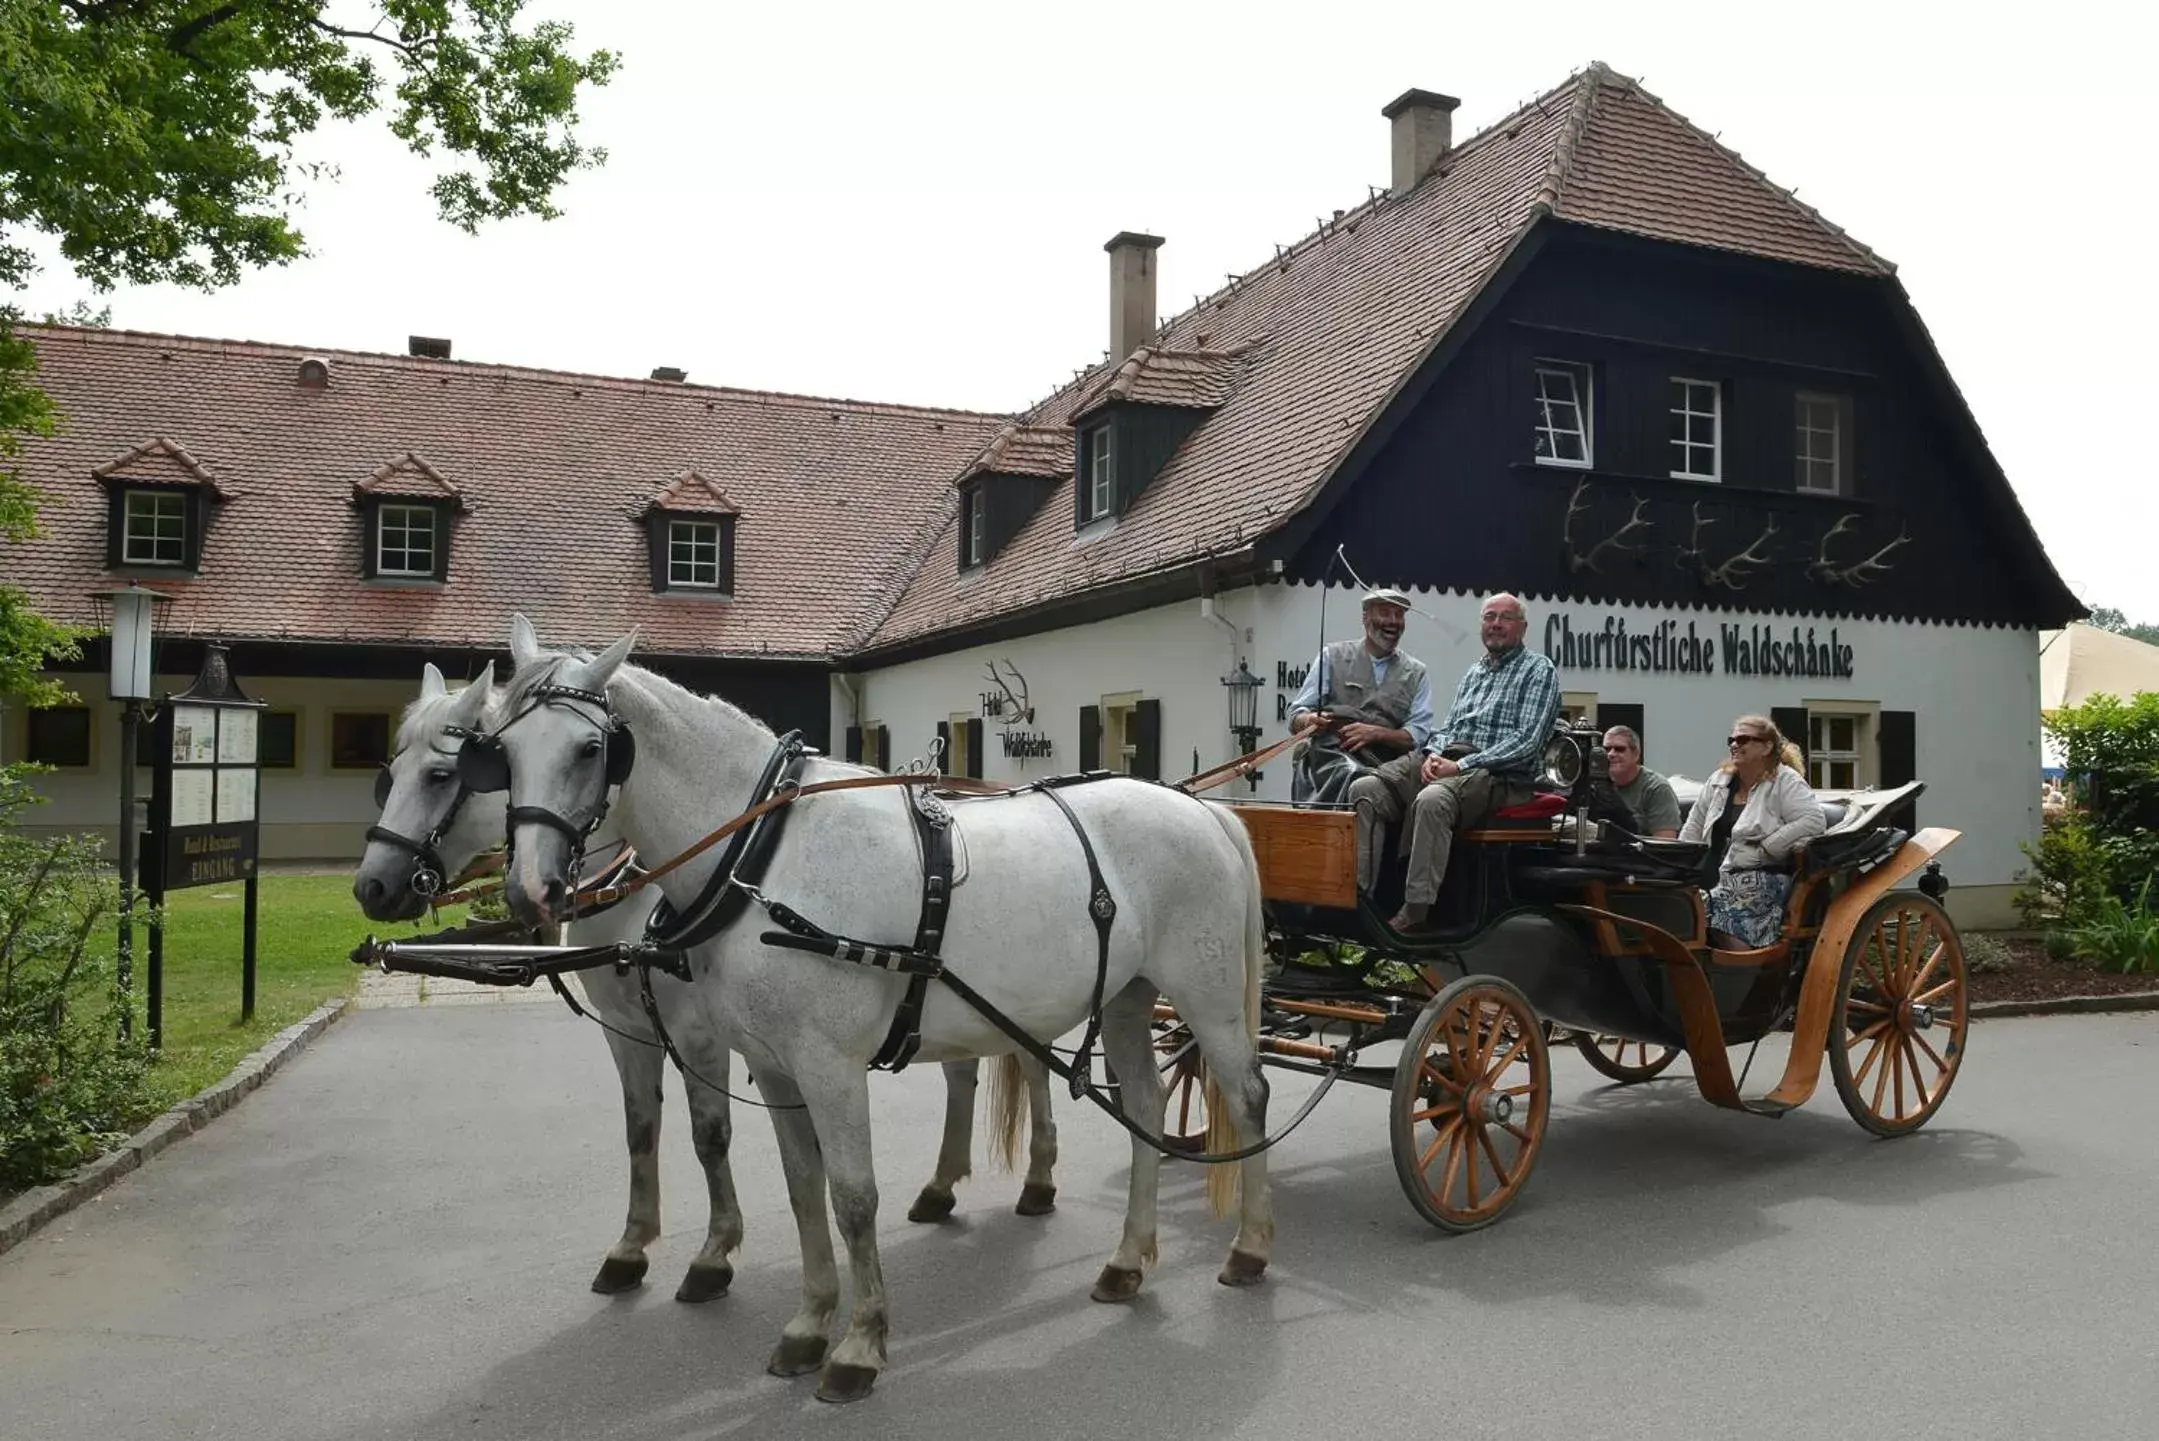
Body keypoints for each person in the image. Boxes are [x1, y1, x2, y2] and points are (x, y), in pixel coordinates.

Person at [1347, 593, 1561, 934]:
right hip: (1452, 761)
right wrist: (1435, 754)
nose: (1495, 624)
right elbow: (1449, 729)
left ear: (1522, 627)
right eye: (1489, 617)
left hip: (1500, 777)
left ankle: (1416, 912)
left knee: (1433, 800)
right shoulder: (1474, 672)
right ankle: (1362, 897)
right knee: (1365, 789)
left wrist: (1459, 767)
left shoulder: (1538, 670)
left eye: (1505, 618)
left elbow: (1526, 743)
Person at [1679, 713, 1827, 950]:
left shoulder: (1785, 781)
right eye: (1732, 740)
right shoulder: (1719, 780)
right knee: (1676, 908)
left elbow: (1813, 820)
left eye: (1744, 739)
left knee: (1718, 916)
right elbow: (1694, 825)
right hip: (1713, 873)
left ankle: (1739, 978)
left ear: (1767, 746)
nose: (1735, 745)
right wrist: (1680, 866)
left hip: (1762, 875)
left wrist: (1768, 847)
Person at [1285, 588, 1435, 805]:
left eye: (1399, 614)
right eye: (1385, 612)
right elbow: (1295, 715)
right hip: (1331, 758)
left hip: (1387, 766)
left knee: (1371, 783)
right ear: (1365, 617)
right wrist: (1308, 721)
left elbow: (1419, 735)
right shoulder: (1332, 656)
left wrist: (1378, 734)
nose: (1393, 621)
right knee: (1352, 775)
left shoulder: (1416, 672)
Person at [1602, 724, 1681, 838]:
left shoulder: (1657, 789)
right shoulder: (1595, 784)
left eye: (1619, 749)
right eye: (1606, 749)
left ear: (1636, 754)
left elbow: (1665, 843)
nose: (1611, 754)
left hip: (1641, 853)